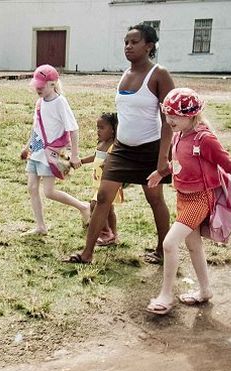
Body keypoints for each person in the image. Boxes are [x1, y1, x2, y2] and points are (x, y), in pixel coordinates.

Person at [145, 88, 231, 314]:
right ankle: (205, 290)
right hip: (183, 197)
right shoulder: (179, 133)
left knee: (169, 243)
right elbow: (180, 161)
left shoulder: (205, 139)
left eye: (175, 115)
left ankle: (166, 295)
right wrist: (162, 173)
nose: (169, 119)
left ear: (192, 115)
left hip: (200, 199)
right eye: (167, 114)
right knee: (193, 246)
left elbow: (230, 165)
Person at [66, 24, 174, 263]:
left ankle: (163, 251)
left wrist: (163, 157)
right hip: (123, 149)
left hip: (150, 149)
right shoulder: (125, 74)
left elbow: (169, 120)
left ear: (149, 46)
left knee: (155, 199)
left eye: (134, 42)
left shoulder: (159, 74)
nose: (128, 46)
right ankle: (87, 254)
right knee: (103, 197)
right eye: (126, 42)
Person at [20, 64, 89, 236]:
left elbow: (73, 128)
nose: (38, 89)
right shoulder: (39, 102)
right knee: (32, 187)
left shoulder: (60, 102)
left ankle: (83, 207)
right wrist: (27, 146)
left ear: (52, 83)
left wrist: (75, 155)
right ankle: (41, 226)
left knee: (49, 192)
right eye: (36, 85)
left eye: (41, 85)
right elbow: (36, 127)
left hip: (51, 153)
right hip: (36, 150)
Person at [80, 112, 123, 246]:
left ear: (113, 129)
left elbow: (115, 161)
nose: (98, 130)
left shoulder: (113, 146)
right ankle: (113, 236)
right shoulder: (101, 144)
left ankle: (106, 233)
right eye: (97, 127)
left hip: (108, 183)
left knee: (95, 205)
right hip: (98, 183)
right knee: (109, 210)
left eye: (102, 128)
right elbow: (95, 156)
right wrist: (81, 161)